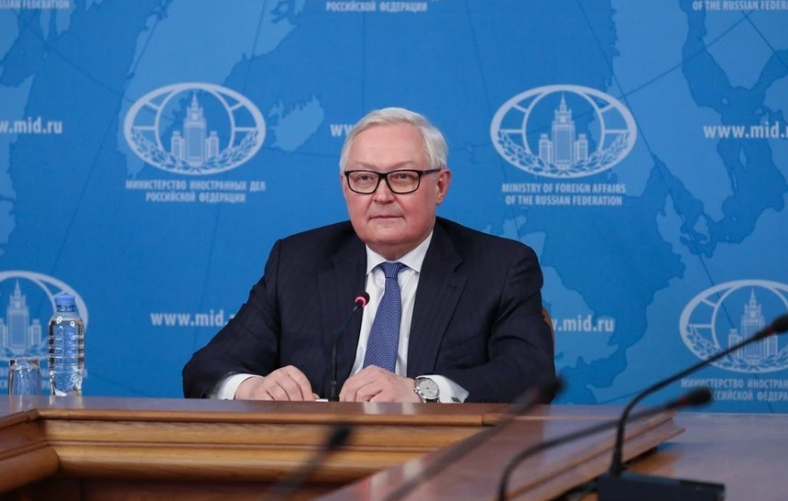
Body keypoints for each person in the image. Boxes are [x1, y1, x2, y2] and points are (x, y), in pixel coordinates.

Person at [182, 107, 554, 403]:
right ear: (345, 187)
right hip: (315, 456)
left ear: (440, 186)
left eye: (403, 177)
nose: (382, 195)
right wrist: (253, 388)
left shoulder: (500, 267)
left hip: (443, 458)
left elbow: (530, 374)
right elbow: (206, 368)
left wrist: (421, 391)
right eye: (364, 178)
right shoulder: (296, 261)